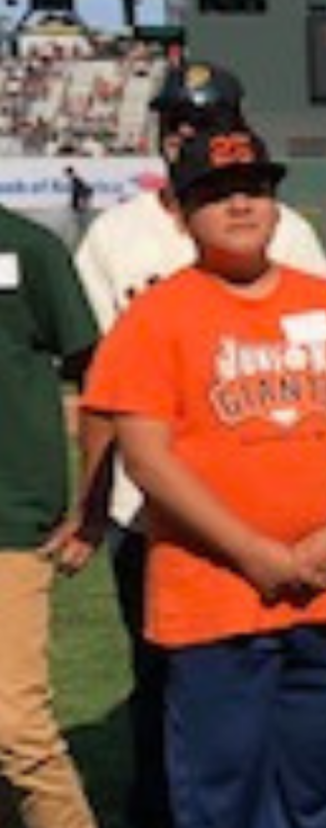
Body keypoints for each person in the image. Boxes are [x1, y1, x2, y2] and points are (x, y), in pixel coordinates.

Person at [82, 126, 326, 828]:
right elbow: (148, 460)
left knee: (312, 791)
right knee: (221, 797)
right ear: (181, 213)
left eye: (254, 188)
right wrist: (255, 553)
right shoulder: (156, 316)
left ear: (277, 204)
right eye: (214, 193)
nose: (239, 204)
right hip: (211, 596)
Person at [0, 200, 102, 828]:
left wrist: (91, 502)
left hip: (8, 514)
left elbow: (97, 375)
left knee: (17, 729)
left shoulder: (26, 249)